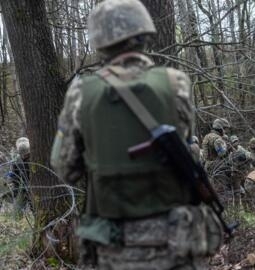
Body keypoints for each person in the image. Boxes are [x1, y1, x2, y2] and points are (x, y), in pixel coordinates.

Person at [50, 1, 222, 268]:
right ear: (144, 33)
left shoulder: (81, 92)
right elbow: (187, 147)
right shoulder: (176, 83)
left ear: (100, 42)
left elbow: (64, 168)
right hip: (175, 242)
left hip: (113, 247)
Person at [6, 137, 31, 217]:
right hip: (21, 187)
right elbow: (12, 174)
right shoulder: (16, 160)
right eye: (21, 154)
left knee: (36, 210)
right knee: (17, 213)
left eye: (26, 154)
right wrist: (13, 185)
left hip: (35, 187)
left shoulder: (36, 158)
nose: (24, 156)